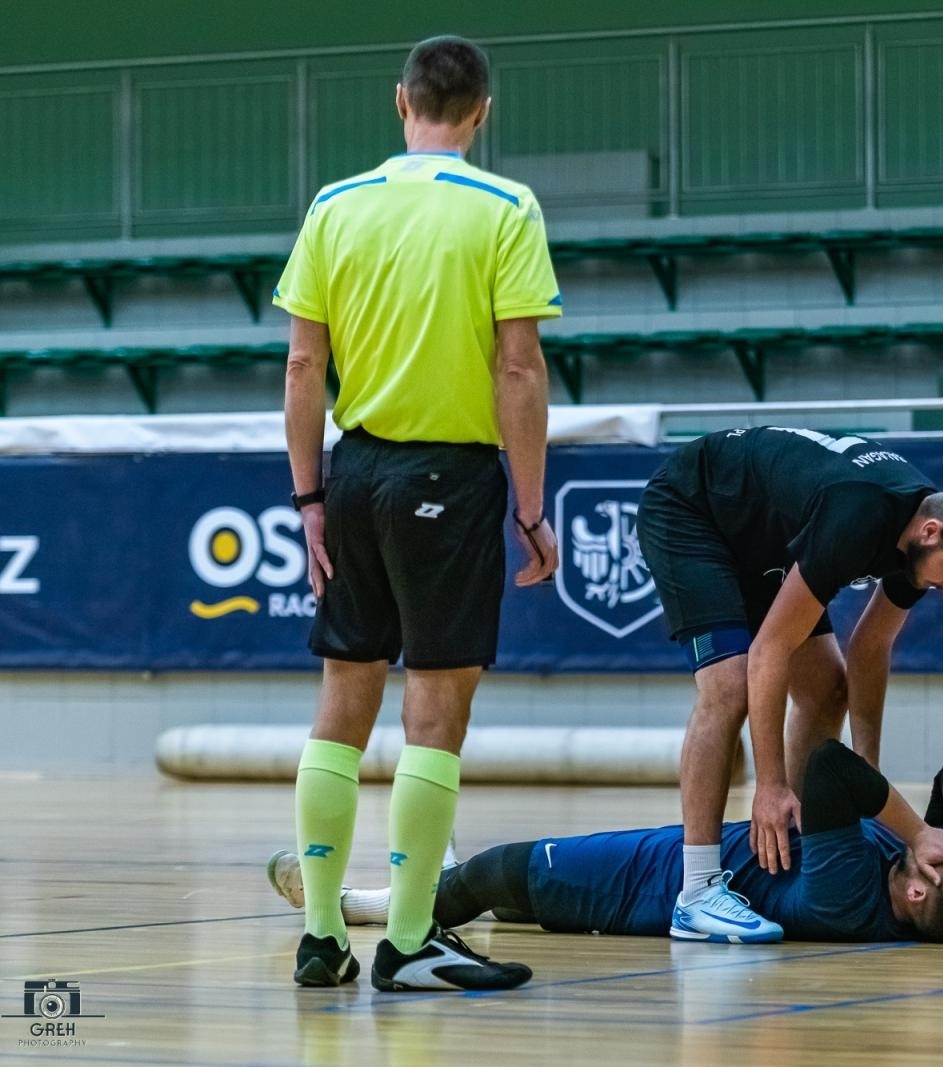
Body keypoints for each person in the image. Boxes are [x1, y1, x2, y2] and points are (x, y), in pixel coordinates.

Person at [272, 35, 563, 992]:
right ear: (482, 111)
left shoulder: (334, 204)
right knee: (435, 710)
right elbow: (518, 365)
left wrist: (311, 497)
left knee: (340, 701)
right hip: (451, 475)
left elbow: (303, 365)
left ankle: (322, 936)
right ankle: (406, 941)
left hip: (354, 471)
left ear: (400, 101)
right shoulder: (506, 207)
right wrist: (530, 506)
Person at [635, 426, 943, 942]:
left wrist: (869, 776)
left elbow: (871, 648)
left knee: (828, 690)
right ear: (931, 532)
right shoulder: (858, 516)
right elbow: (769, 650)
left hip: (763, 541)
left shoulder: (917, 536)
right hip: (693, 511)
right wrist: (769, 785)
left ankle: (795, 844)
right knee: (729, 686)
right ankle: (698, 891)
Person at [269, 740, 943, 945]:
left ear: (919, 891)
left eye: (940, 864)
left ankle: (358, 905)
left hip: (638, 886)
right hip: (658, 857)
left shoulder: (848, 894)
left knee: (500, 874)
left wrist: (921, 834)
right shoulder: (910, 878)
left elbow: (827, 768)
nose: (934, 854)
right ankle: (430, 877)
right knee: (516, 900)